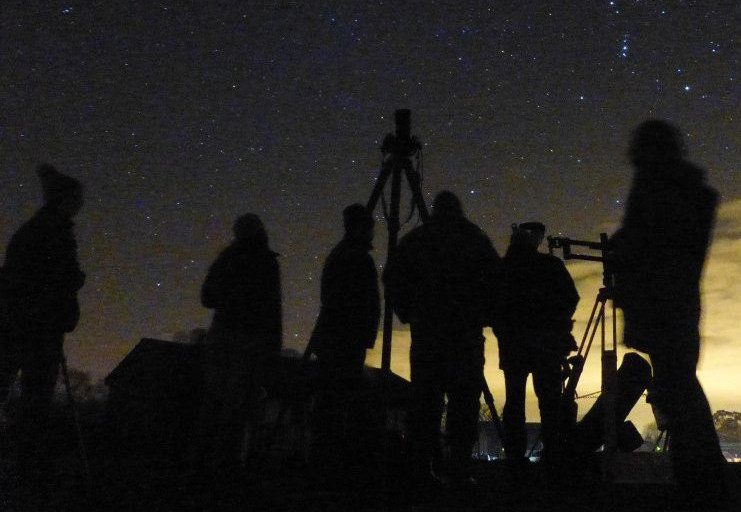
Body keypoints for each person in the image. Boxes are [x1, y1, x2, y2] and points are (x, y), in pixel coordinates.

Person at [611, 119, 727, 507]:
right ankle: (702, 477)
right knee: (681, 389)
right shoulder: (690, 193)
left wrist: (624, 259)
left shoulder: (657, 191)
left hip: (662, 308)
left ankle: (702, 480)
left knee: (679, 392)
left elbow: (646, 247)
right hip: (678, 307)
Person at [383, 190, 501, 488]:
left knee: (425, 404)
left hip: (428, 338)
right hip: (464, 338)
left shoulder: (417, 240)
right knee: (463, 405)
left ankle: (421, 469)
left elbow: (392, 277)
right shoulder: (475, 239)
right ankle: (458, 469)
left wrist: (409, 313)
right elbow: (497, 282)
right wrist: (483, 316)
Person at [0, 164, 86, 484]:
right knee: (36, 396)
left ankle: (23, 463)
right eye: (77, 197)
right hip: (37, 325)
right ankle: (27, 469)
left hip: (16, 319)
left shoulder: (34, 228)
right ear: (65, 198)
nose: (80, 203)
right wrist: (73, 283)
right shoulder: (56, 231)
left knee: (14, 385)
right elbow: (55, 278)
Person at [192, 213, 282, 483]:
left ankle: (203, 462)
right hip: (248, 340)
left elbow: (207, 297)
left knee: (215, 401)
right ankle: (226, 466)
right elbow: (273, 308)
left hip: (221, 337)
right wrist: (273, 346)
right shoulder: (266, 262)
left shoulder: (226, 260)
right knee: (238, 404)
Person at [494, 222, 579, 473]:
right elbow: (570, 298)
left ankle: (515, 458)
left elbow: (491, 305)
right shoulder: (550, 267)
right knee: (550, 402)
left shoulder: (502, 269)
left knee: (514, 402)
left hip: (513, 346)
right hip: (547, 346)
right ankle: (553, 454)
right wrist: (555, 324)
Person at [309, 203, 381, 487]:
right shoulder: (355, 257)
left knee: (332, 402)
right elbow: (358, 301)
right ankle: (337, 466)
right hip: (344, 341)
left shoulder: (341, 255)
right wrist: (363, 334)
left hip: (335, 339)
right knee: (339, 402)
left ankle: (328, 464)